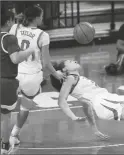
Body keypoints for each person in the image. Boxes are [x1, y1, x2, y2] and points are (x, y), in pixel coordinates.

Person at [8, 5, 64, 147]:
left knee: (5, 108)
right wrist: (56, 74)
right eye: (42, 15)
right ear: (37, 17)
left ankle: (3, 137)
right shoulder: (43, 35)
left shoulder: (15, 28)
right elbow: (46, 63)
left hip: (13, 74)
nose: (43, 17)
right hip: (31, 78)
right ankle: (14, 134)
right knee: (25, 107)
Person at [0, 9, 35, 154]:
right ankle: (5, 146)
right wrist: (29, 50)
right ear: (8, 22)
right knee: (5, 117)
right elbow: (15, 58)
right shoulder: (9, 39)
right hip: (5, 82)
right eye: (13, 20)